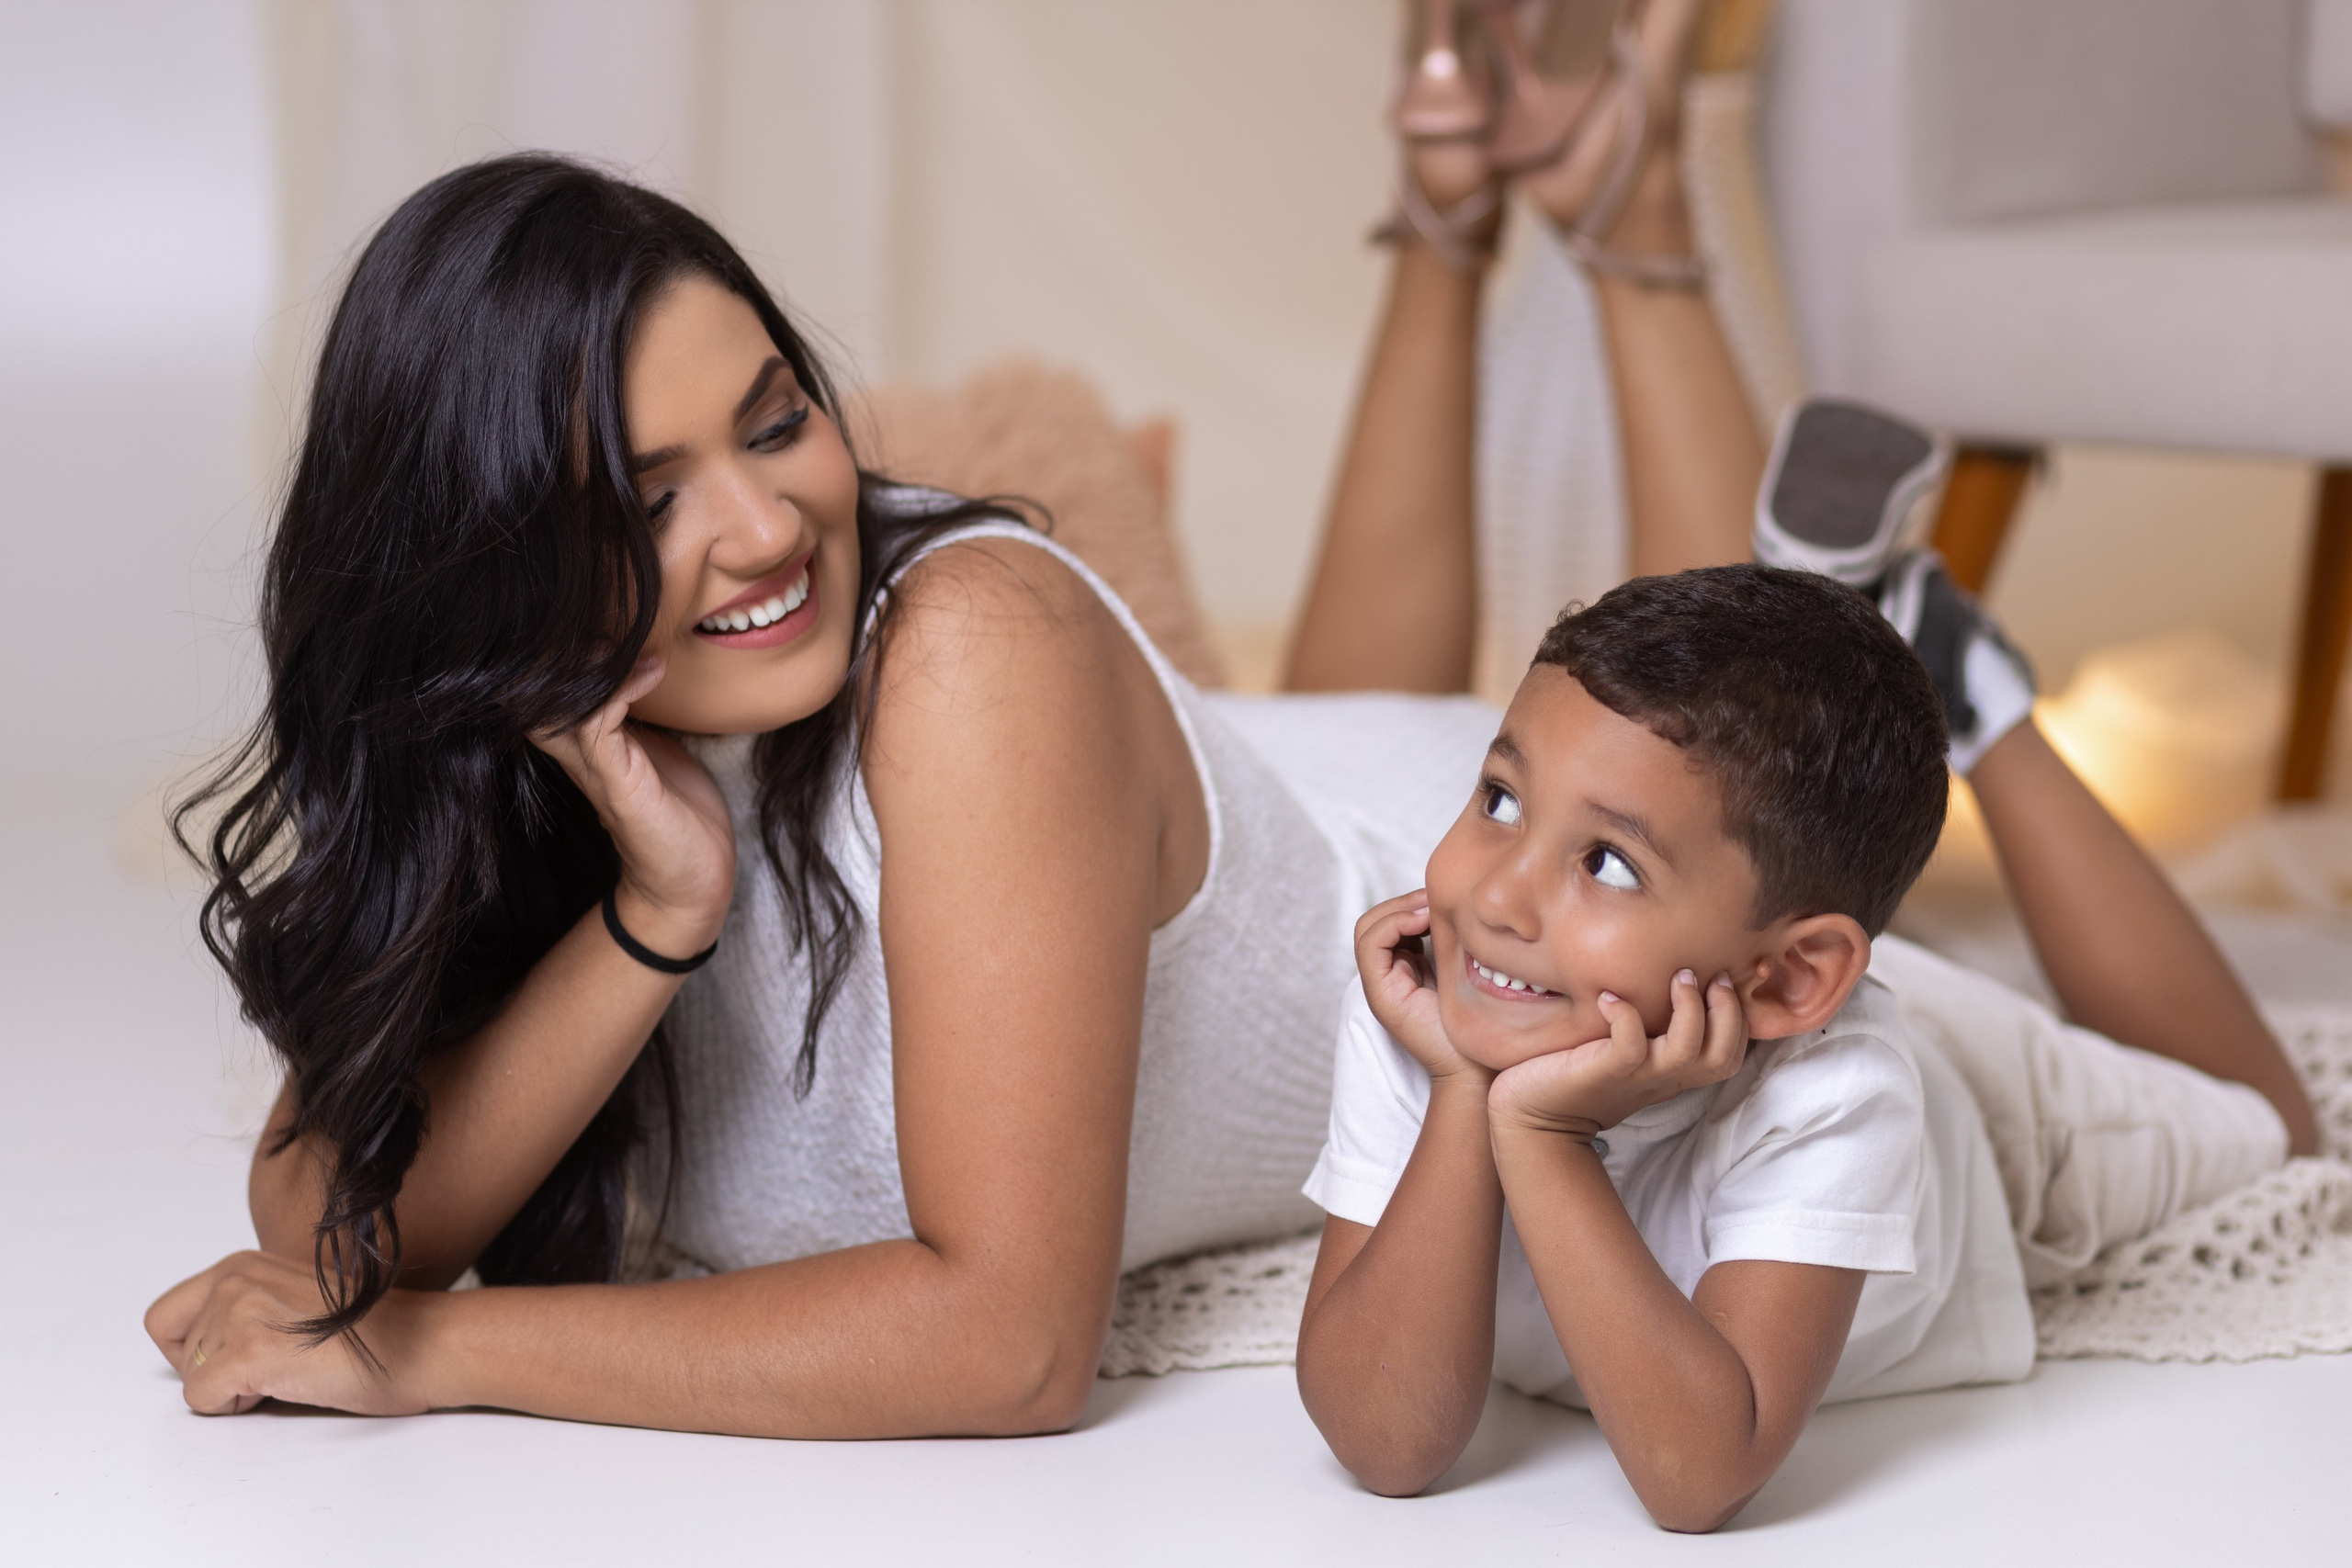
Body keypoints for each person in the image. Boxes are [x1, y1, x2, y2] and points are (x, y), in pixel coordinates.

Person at [145, 0, 2311, 1438]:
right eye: (640, 499)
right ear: (481, 563)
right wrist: (653, 919)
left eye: (778, 414)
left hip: (1513, 939)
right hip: (1346, 795)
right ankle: (1463, 243)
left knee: (2253, 1138)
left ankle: (1948, 668)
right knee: (1319, 714)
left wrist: (441, 1352)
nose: (758, 520)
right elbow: (321, 1216)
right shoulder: (591, 754)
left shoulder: (961, 645)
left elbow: (1006, 1339)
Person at [1292, 564, 2301, 1532]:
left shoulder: (1837, 1090)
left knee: (2277, 1131)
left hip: (2000, 1115)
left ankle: (1984, 706)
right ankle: (1872, 653)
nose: (1497, 898)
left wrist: (1544, 1135)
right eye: (1500, 799)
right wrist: (1467, 1093)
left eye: (1606, 863)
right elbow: (1384, 1443)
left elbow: (1698, 1476)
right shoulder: (1436, 1009)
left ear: (1785, 978)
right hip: (1748, 969)